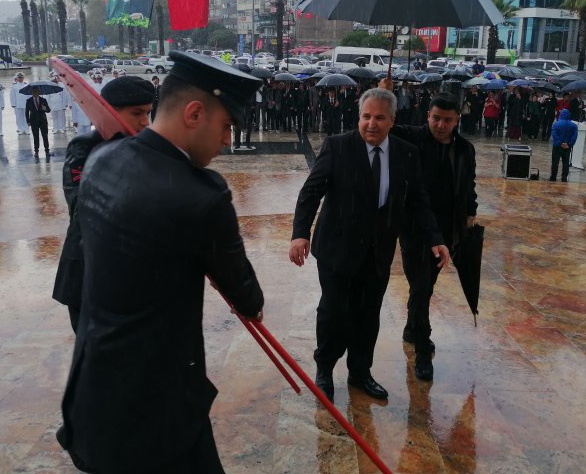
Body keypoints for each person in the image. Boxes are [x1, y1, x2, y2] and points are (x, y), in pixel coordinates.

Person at [58, 52, 264, 473]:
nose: (227, 140)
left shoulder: (101, 159)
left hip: (95, 389)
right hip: (157, 407)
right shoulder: (202, 195)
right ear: (194, 113)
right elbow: (245, 293)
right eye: (226, 125)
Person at [289, 88, 447, 401]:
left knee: (367, 314)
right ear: (359, 117)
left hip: (377, 251)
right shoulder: (338, 147)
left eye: (379, 117)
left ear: (392, 120)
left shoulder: (405, 152)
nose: (371, 124)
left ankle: (360, 372)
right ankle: (324, 370)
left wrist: (435, 238)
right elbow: (311, 192)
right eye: (366, 116)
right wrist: (300, 232)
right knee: (334, 312)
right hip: (336, 249)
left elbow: (418, 200)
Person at [54, 76, 155, 333]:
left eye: (148, 113)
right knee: (95, 360)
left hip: (133, 277)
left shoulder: (145, 146)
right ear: (109, 111)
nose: (145, 121)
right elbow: (79, 206)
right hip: (89, 273)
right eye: (137, 113)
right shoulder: (86, 146)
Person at [389, 92, 477, 380]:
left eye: (447, 120)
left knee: (425, 285)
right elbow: (383, 124)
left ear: (456, 121)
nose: (440, 125)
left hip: (446, 228)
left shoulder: (465, 149)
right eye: (436, 118)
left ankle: (412, 325)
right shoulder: (412, 138)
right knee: (422, 282)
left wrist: (470, 210)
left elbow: (469, 183)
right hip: (414, 226)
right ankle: (423, 346)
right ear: (427, 116)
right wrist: (386, 93)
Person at [549, 109, 578, 182]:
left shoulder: (556, 124)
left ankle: (553, 177)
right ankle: (564, 177)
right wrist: (569, 144)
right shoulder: (574, 126)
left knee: (555, 162)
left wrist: (560, 143)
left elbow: (554, 135)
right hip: (567, 147)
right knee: (566, 163)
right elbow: (574, 136)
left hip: (557, 146)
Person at [25, 87, 52, 161]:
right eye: (34, 92)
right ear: (32, 93)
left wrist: (45, 108)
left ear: (39, 92)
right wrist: (28, 121)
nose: (36, 94)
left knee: (45, 136)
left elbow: (48, 110)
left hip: (43, 121)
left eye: (37, 92)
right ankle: (36, 151)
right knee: (36, 137)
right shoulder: (29, 101)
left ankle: (47, 150)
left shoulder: (43, 100)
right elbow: (27, 112)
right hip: (34, 122)